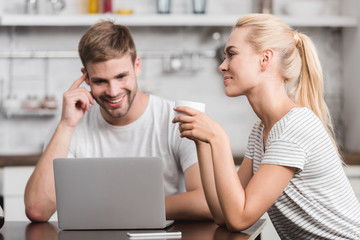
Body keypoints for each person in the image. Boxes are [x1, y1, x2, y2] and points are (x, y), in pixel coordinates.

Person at [173, 14, 360, 239]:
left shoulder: (293, 127)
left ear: (265, 59)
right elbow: (223, 215)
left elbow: (239, 218)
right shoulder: (261, 131)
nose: (222, 66)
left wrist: (218, 138)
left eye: (231, 54)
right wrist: (203, 144)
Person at [24, 21, 211, 222]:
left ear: (137, 66)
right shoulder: (70, 124)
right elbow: (37, 209)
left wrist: (121, 210)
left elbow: (206, 202)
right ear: (86, 78)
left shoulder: (176, 119)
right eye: (100, 81)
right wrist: (66, 125)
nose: (113, 92)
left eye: (121, 76)